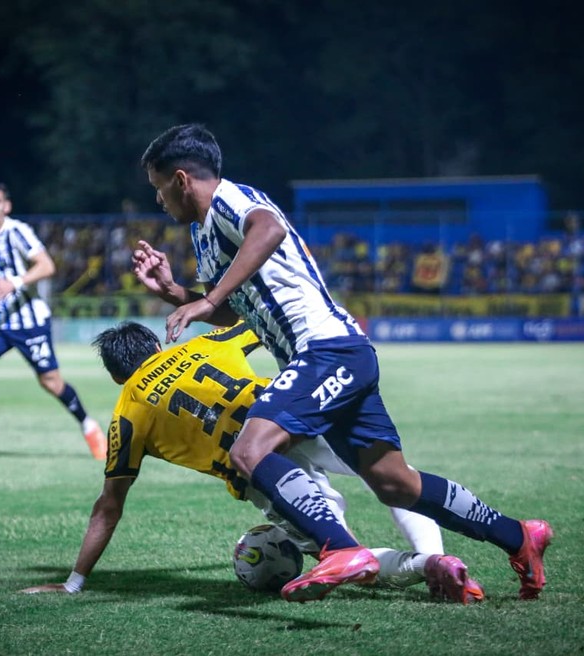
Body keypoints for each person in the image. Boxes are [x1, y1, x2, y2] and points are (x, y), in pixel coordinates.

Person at [134, 124, 552, 603]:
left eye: (159, 187)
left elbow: (267, 229)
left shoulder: (232, 199)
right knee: (395, 483)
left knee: (249, 451)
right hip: (336, 356)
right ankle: (518, 535)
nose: (159, 200)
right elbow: (231, 306)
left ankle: (340, 549)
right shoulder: (202, 234)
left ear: (182, 179)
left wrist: (207, 304)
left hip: (326, 350)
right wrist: (174, 292)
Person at [21, 321, 483, 602]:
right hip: (290, 415)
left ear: (118, 375)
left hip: (260, 470)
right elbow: (256, 320)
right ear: (156, 348)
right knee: (390, 477)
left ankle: (426, 568)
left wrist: (75, 582)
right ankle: (437, 555)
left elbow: (109, 506)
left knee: (340, 550)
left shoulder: (127, 414)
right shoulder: (204, 345)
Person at [0, 182, 106, 459]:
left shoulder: (17, 232)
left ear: (6, 206)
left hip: (30, 324)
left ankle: (89, 427)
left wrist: (15, 282)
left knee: (51, 382)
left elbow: (47, 265)